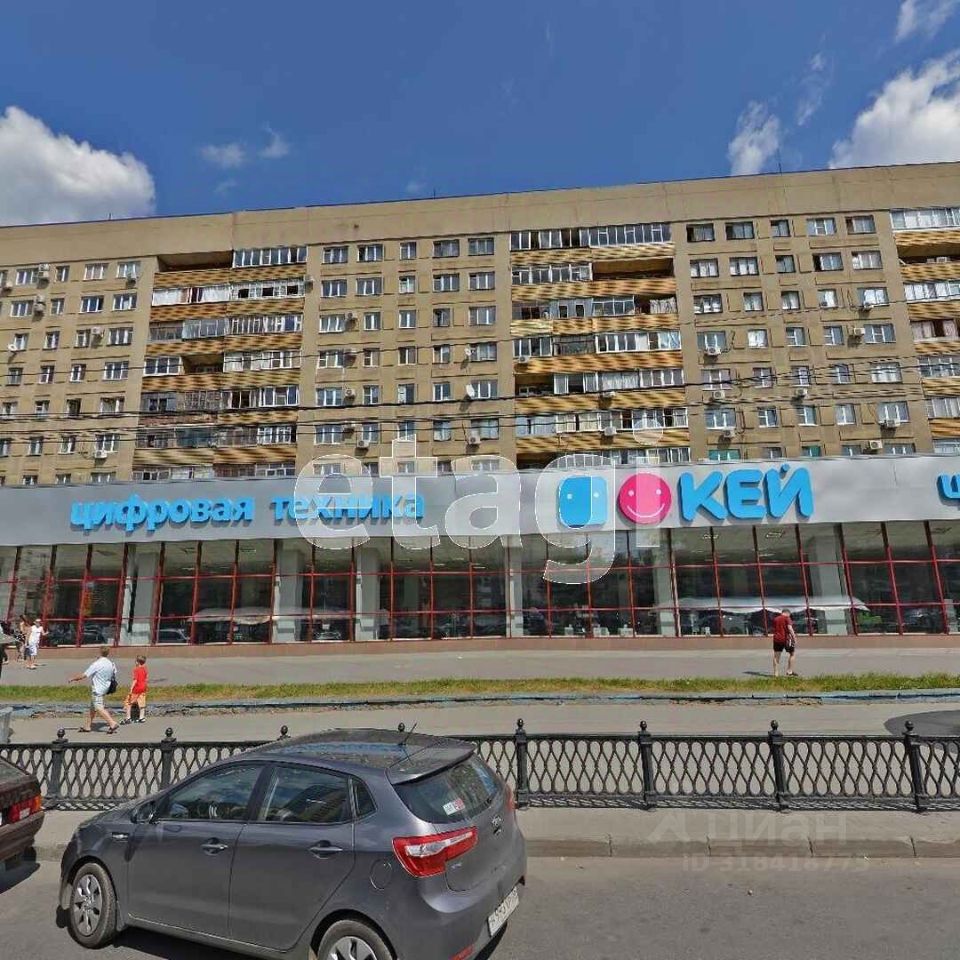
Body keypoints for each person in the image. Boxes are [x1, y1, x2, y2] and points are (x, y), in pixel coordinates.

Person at [68, 646, 119, 734]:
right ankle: (87, 726)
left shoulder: (97, 664)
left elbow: (84, 675)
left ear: (100, 653)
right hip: (105, 687)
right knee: (93, 707)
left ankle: (112, 723)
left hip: (97, 689)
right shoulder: (111, 663)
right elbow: (114, 673)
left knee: (98, 707)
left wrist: (72, 678)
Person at [121, 656, 148, 724]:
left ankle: (128, 718)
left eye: (135, 661)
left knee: (128, 702)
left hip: (136, 688)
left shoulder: (136, 669)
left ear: (138, 662)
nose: (135, 662)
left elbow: (135, 680)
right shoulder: (145, 669)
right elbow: (146, 678)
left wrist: (131, 688)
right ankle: (142, 717)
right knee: (142, 703)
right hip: (143, 688)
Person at [772, 608, 798, 678]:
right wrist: (794, 638)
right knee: (792, 654)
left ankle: (776, 674)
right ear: (787, 613)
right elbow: (790, 628)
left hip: (777, 639)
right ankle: (789, 671)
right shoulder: (787, 618)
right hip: (787, 640)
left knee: (776, 656)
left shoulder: (775, 619)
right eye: (789, 614)